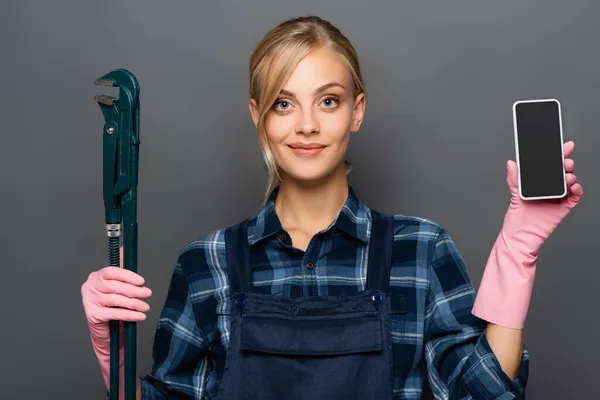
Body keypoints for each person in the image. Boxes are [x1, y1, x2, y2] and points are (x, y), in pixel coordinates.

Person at [81, 15, 583, 400]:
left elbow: (483, 394)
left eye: (327, 101)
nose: (306, 125)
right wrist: (113, 354)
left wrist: (518, 252)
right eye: (283, 102)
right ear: (258, 116)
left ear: (356, 111)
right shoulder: (205, 263)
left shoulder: (420, 250)